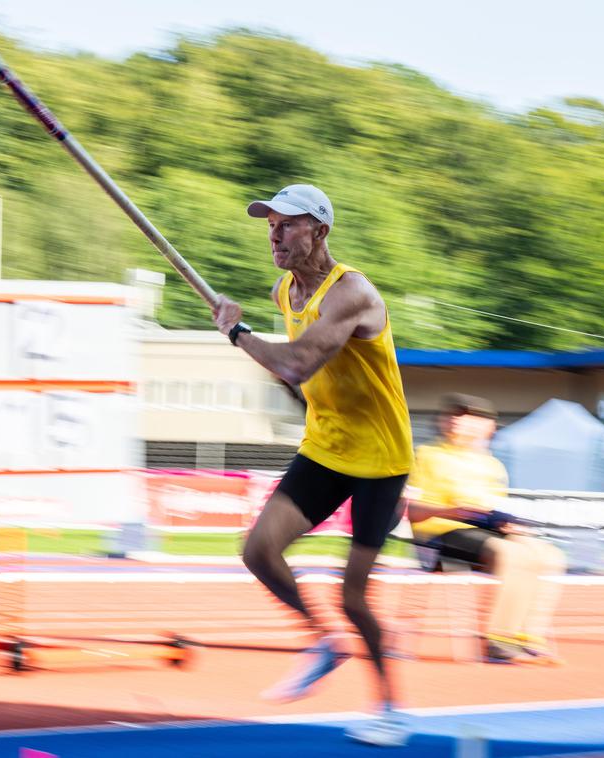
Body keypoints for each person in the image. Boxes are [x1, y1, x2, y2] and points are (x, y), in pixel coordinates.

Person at [211, 184, 414, 747]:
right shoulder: (285, 291)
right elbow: (301, 378)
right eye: (269, 224)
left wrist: (235, 331)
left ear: (320, 231)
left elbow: (298, 363)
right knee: (257, 550)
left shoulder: (352, 292)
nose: (274, 234)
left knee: (353, 596)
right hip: (326, 448)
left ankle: (391, 707)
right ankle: (324, 643)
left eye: (288, 224)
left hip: (380, 458)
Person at [404, 393, 567, 663]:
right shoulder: (425, 455)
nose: (458, 421)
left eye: (469, 417)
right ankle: (499, 641)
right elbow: (410, 511)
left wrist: (508, 523)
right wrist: (449, 511)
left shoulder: (492, 465)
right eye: (453, 415)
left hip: (484, 531)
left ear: (487, 427)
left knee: (549, 555)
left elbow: (491, 508)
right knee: (513, 555)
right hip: (438, 535)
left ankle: (528, 637)